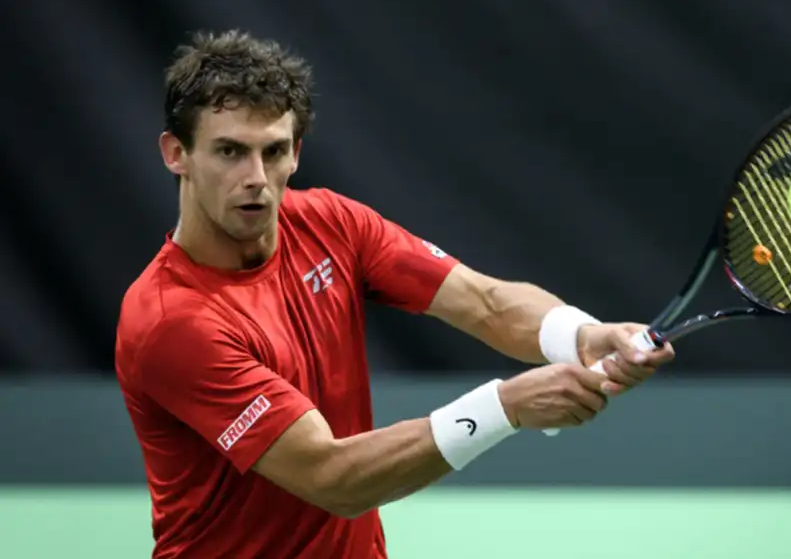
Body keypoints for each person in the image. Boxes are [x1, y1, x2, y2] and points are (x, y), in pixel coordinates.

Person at [115, 29, 675, 559]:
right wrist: (503, 407)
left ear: (296, 152)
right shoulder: (172, 322)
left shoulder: (331, 223)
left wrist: (581, 335)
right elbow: (331, 477)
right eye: (230, 152)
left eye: (274, 151)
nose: (257, 177)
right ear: (176, 153)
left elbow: (484, 302)